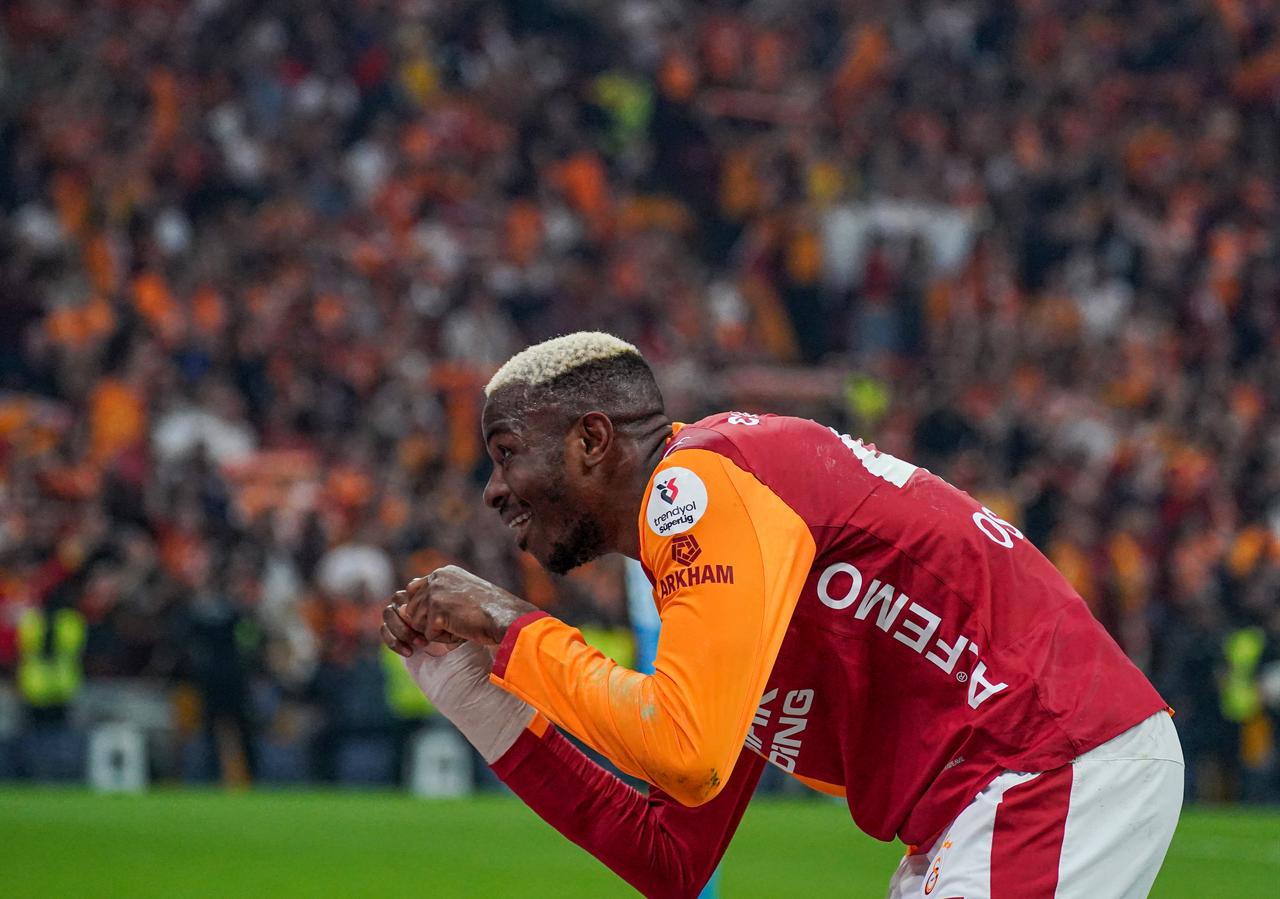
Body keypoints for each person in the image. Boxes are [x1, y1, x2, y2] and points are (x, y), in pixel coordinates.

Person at [380, 332, 1184, 898]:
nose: (492, 487)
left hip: (1044, 765)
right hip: (994, 799)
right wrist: (480, 700)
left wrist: (512, 624)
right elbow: (671, 857)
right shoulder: (717, 559)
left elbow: (684, 751)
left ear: (593, 439)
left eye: (507, 449)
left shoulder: (695, 486)